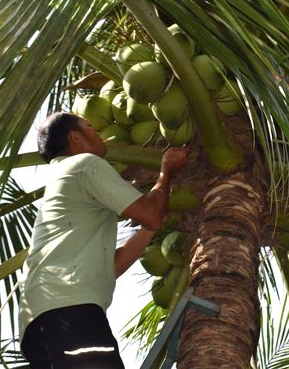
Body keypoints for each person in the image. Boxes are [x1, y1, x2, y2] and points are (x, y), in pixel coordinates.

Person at [18, 112, 187, 368]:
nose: (98, 133)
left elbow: (113, 267)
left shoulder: (61, 179)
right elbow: (150, 213)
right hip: (70, 309)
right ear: (75, 138)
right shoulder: (85, 164)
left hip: (37, 325)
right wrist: (166, 171)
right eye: (89, 126)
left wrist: (152, 228)